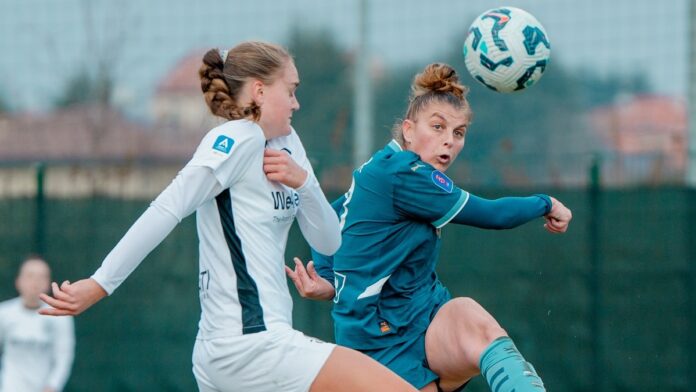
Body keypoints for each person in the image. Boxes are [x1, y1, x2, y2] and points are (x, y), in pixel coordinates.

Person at [38, 41, 418, 392]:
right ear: (259, 90)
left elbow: (329, 242)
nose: (296, 103)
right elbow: (168, 208)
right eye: (291, 90)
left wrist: (304, 183)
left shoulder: (286, 143)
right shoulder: (238, 139)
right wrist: (101, 283)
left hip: (248, 347)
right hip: (249, 346)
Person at [286, 63, 573, 392]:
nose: (448, 141)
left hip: (424, 312)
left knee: (472, 319)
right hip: (377, 340)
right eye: (437, 127)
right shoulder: (404, 175)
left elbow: (330, 217)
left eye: (458, 132)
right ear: (408, 129)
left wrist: (330, 280)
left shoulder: (387, 163)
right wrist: (547, 203)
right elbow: (494, 215)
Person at [0, 255, 75, 392]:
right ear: (18, 281)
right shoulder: (3, 313)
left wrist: (52, 386)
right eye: (30, 276)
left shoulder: (60, 316)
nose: (35, 282)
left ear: (48, 283)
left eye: (41, 277)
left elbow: (64, 356)